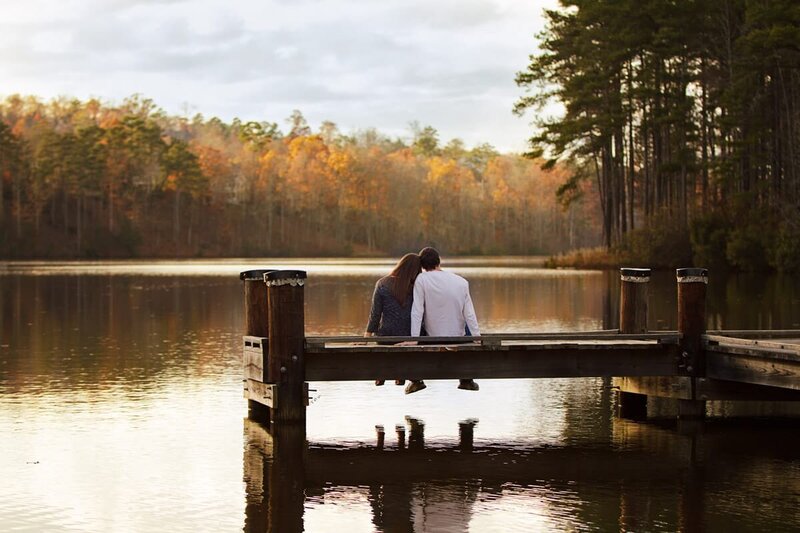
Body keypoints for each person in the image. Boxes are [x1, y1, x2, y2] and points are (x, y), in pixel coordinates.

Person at [406, 247, 480, 394]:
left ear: (422, 266)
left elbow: (417, 311)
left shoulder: (422, 279)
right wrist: (477, 337)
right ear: (439, 261)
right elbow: (469, 314)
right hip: (458, 338)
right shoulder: (461, 282)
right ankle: (466, 380)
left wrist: (414, 339)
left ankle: (416, 379)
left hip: (433, 337)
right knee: (462, 322)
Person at [365, 253, 422, 386]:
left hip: (386, 337)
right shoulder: (417, 287)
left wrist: (366, 337)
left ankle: (382, 373)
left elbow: (375, 314)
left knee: (387, 332)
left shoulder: (382, 283)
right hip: (408, 337)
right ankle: (401, 376)